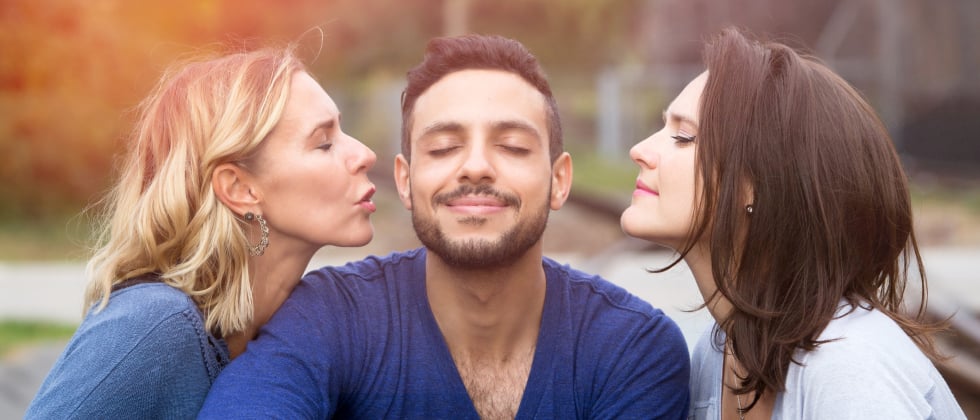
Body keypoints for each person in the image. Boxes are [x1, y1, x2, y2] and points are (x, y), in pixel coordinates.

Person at [200, 34, 690, 419]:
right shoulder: (331, 317)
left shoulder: (634, 349)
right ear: (406, 181)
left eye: (513, 146)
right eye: (442, 148)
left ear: (560, 181)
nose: (475, 166)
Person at [621, 27, 966, 419]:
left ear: (759, 183)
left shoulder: (849, 369)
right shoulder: (717, 353)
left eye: (683, 136)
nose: (640, 150)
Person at [25, 44, 377, 418]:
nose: (365, 154)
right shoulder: (155, 326)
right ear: (240, 189)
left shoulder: (292, 325)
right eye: (323, 143)